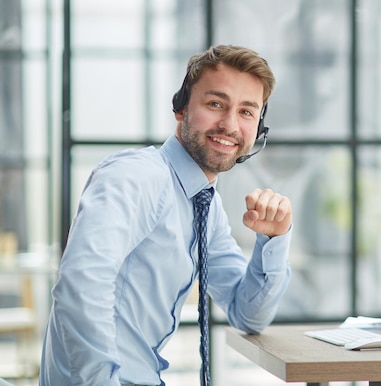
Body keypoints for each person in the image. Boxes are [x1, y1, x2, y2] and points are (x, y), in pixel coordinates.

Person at [39, 45, 293, 386]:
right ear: (182, 107)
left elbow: (247, 313)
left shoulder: (204, 204)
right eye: (215, 104)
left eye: (247, 112)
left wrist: (274, 238)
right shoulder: (137, 176)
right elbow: (80, 284)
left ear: (258, 128)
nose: (229, 124)